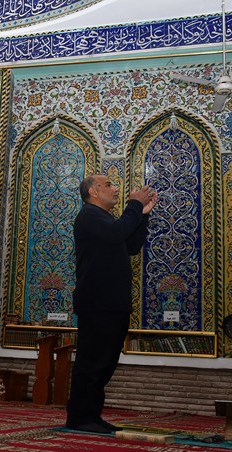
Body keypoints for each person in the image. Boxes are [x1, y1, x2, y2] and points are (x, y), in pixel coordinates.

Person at [66, 174, 157, 434]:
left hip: (112, 301)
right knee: (92, 362)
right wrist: (134, 205)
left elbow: (130, 246)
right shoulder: (88, 216)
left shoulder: (105, 220)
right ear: (94, 192)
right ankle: (79, 417)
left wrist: (144, 214)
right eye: (108, 185)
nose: (114, 189)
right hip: (97, 301)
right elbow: (118, 232)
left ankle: (92, 416)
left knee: (105, 363)